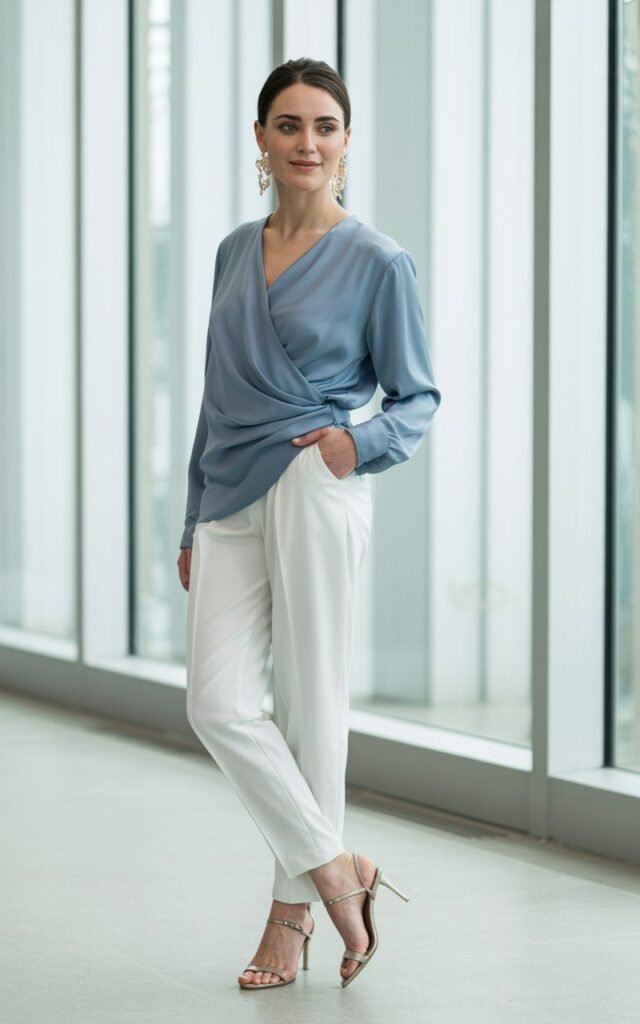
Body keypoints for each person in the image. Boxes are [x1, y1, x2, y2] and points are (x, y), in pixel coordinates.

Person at [176, 57, 442, 991]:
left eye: (324, 126)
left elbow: (417, 397)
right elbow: (213, 397)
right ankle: (340, 873)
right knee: (213, 702)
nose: (307, 144)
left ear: (346, 139)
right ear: (259, 139)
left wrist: (353, 446)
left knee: (311, 705)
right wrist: (189, 516)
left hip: (311, 478)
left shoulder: (378, 259)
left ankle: (289, 919)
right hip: (228, 491)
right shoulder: (228, 250)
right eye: (288, 125)